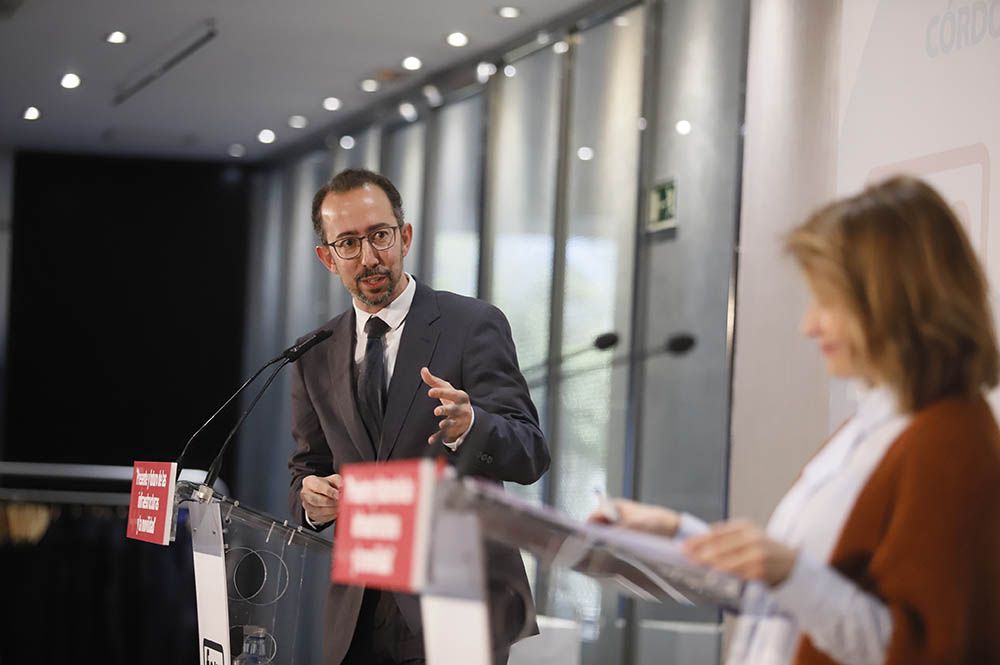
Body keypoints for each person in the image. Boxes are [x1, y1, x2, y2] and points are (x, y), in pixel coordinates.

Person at [594, 176, 1000, 665]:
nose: (810, 325)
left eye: (828, 303)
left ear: (894, 300)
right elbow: (796, 593)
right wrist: (677, 534)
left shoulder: (951, 441)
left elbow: (921, 649)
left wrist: (789, 573)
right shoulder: (875, 425)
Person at [288, 168, 550, 665]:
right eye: (348, 243)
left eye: (380, 236)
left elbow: (531, 452)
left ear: (404, 236)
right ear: (327, 258)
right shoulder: (313, 353)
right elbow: (307, 467)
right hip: (361, 606)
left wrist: (472, 427)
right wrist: (311, 500)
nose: (369, 257)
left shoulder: (471, 325)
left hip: (457, 599)